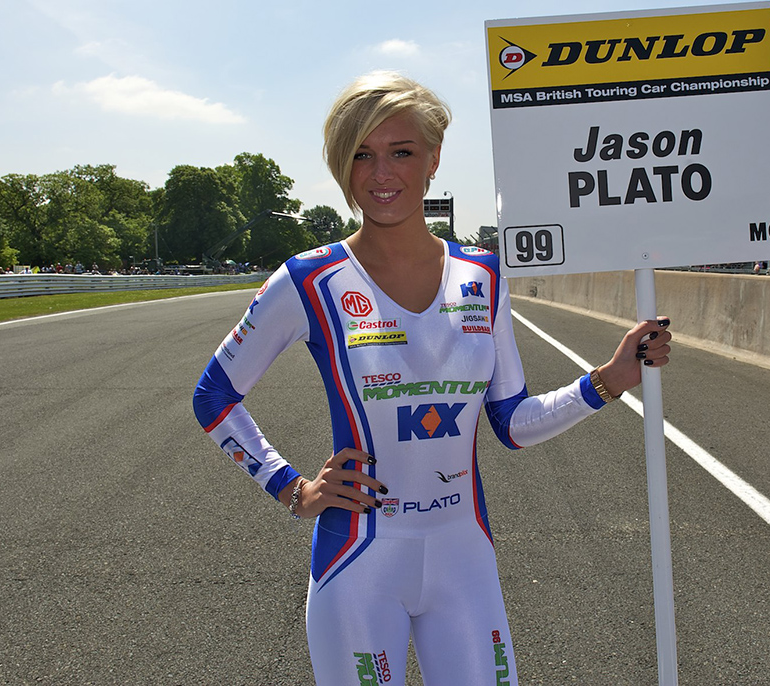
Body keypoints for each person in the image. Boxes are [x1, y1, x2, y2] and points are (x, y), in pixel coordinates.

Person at [192, 71, 671, 686]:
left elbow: (512, 425)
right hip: (358, 562)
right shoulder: (308, 279)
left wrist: (607, 380)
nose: (381, 173)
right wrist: (291, 489)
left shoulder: (484, 274)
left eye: (401, 152)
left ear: (434, 160)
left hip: (462, 556)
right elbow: (214, 395)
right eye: (361, 154)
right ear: (341, 167)